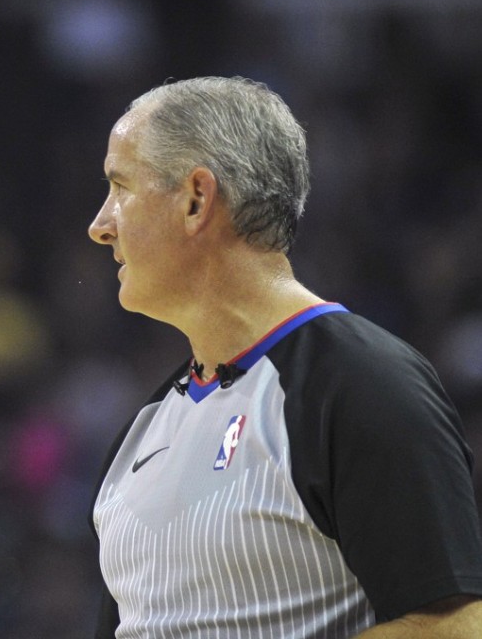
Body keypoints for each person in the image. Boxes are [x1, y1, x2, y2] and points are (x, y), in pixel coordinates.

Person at [87, 76, 482, 637]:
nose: (100, 225)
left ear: (197, 198)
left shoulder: (364, 384)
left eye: (120, 187)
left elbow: (453, 628)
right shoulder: (140, 432)